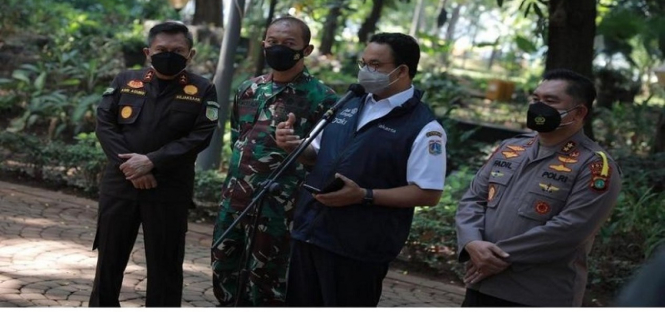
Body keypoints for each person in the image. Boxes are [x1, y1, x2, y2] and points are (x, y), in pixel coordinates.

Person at [275, 32, 447, 307]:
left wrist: (365, 195)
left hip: (358, 248)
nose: (366, 71)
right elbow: (316, 156)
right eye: (363, 63)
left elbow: (428, 192)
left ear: (402, 70)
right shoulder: (349, 103)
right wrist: (293, 146)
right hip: (310, 232)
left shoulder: (424, 127)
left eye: (375, 65)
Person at [454, 68, 622, 307]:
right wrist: (472, 244)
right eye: (535, 99)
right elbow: (473, 200)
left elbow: (571, 228)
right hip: (482, 283)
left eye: (550, 101)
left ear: (579, 112)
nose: (538, 106)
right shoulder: (511, 148)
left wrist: (493, 257)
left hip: (537, 293)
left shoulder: (594, 165)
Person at [210, 16, 338, 306]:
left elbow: (328, 160)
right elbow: (238, 140)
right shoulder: (248, 89)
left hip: (281, 209)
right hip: (236, 201)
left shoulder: (324, 99)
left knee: (268, 284)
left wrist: (301, 149)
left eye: (289, 44)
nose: (278, 48)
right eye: (272, 42)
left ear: (306, 50)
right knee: (223, 266)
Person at [89, 21, 218, 307]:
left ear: (190, 54)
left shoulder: (203, 89)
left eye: (177, 50)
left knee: (165, 264)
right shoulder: (125, 81)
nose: (168, 54)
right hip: (120, 186)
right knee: (109, 259)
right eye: (161, 49)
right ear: (148, 51)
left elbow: (199, 137)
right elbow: (105, 125)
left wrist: (151, 162)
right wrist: (131, 168)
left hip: (168, 189)